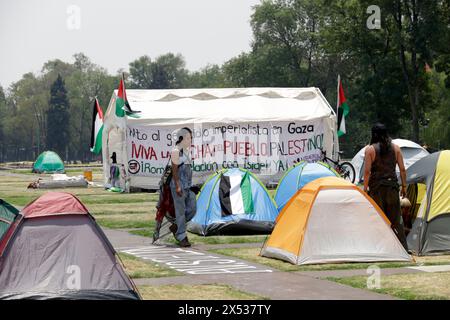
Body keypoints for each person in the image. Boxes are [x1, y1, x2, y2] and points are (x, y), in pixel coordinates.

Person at [363, 123, 408, 249]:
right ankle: (403, 248)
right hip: (392, 187)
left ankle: (380, 248)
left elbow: (367, 172)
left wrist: (365, 189)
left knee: (379, 219)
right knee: (396, 220)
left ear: (374, 134)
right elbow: (403, 169)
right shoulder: (396, 148)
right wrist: (404, 187)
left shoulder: (370, 150)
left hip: (377, 189)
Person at [169, 127, 196, 247]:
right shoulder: (175, 151)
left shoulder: (187, 151)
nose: (190, 140)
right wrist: (178, 186)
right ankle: (181, 236)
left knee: (192, 209)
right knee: (180, 212)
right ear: (182, 138)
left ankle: (176, 226)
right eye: (188, 138)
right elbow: (174, 170)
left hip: (188, 186)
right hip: (178, 186)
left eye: (191, 138)